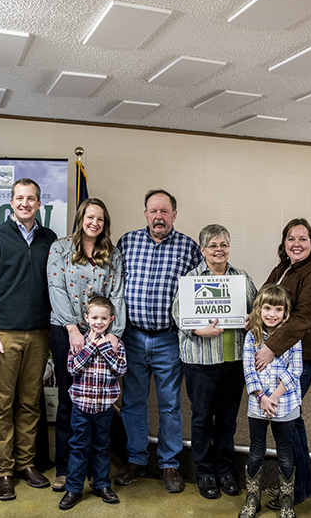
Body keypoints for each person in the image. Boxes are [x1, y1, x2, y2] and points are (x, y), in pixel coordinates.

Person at [0, 178, 57, 501]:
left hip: (39, 334)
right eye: (19, 198)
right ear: (11, 202)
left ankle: (26, 464)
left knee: (29, 403)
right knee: (1, 405)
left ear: (39, 203)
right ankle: (3, 471)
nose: (25, 203)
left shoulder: (49, 239)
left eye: (31, 198)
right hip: (3, 335)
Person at [114, 189, 202, 493]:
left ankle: (169, 464)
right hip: (133, 337)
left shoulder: (189, 247)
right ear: (145, 214)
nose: (159, 217)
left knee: (169, 404)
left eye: (165, 211)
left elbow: (198, 292)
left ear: (174, 215)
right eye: (153, 211)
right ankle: (136, 458)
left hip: (168, 339)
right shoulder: (127, 242)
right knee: (133, 401)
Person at [172, 224, 257, 499]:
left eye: (223, 245)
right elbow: (178, 314)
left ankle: (224, 469)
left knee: (228, 420)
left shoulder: (241, 278)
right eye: (213, 246)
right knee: (201, 419)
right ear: (202, 250)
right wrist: (198, 329)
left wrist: (250, 319)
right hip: (200, 361)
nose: (218, 250)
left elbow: (258, 310)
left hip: (233, 360)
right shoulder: (190, 279)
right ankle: (204, 471)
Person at [47, 198, 125, 492]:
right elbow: (56, 288)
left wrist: (113, 333)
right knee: (70, 401)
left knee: (100, 401)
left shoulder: (112, 253)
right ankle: (66, 469)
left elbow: (117, 292)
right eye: (90, 217)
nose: (95, 223)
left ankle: (96, 470)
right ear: (80, 218)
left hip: (102, 333)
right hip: (66, 331)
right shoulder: (60, 248)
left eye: (100, 219)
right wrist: (72, 329)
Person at [255, 218, 311, 510]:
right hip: (278, 353)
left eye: (303, 238)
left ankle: (296, 489)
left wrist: (271, 348)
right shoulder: (281, 269)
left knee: (287, 421)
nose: (296, 244)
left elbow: (304, 316)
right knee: (293, 419)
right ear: (284, 243)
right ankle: (301, 486)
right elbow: (262, 304)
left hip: (302, 354)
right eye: (291, 238)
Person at [58, 296, 127, 510]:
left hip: (105, 406)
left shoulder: (116, 344)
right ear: (86, 318)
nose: (99, 322)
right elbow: (72, 369)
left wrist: (105, 349)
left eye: (104, 318)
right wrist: (90, 349)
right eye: (94, 317)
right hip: (81, 405)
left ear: (111, 319)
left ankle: (102, 484)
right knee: (79, 446)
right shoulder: (79, 342)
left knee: (101, 446)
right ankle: (74, 488)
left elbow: (121, 370)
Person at [239, 284, 302, 518]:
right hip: (257, 404)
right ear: (259, 310)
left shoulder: (292, 338)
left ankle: (286, 502)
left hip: (285, 405)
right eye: (267, 308)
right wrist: (262, 397)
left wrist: (274, 397)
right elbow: (248, 370)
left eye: (278, 309)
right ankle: (252, 500)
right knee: (256, 451)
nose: (272, 314)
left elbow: (295, 371)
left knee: (285, 452)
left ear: (285, 312)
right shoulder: (251, 338)